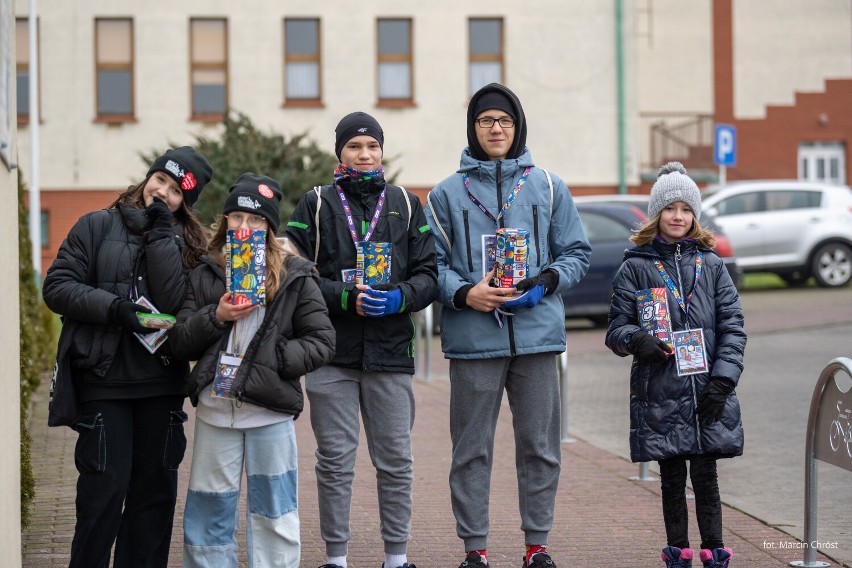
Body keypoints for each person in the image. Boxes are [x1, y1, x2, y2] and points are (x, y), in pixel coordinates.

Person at [424, 83, 591, 568]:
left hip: (537, 338)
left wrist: (548, 281)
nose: (496, 129)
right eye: (485, 121)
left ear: (517, 128)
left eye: (505, 121)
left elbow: (576, 252)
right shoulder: (445, 195)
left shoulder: (549, 186)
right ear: (472, 129)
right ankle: (474, 548)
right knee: (471, 449)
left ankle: (537, 544)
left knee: (539, 446)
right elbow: (431, 266)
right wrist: (464, 292)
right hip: (474, 340)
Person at [42, 146, 213, 567]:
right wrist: (116, 309)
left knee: (152, 503)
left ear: (184, 204)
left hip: (161, 384)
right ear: (148, 177)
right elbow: (58, 286)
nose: (163, 193)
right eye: (161, 180)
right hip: (105, 383)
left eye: (176, 192)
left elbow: (177, 301)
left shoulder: (191, 246)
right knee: (103, 496)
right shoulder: (96, 226)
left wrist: (160, 236)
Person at [284, 111, 437, 568]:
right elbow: (293, 274)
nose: (364, 154)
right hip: (330, 352)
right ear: (340, 153)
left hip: (391, 354)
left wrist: (398, 300)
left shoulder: (407, 205)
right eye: (354, 146)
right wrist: (344, 298)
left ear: (382, 151)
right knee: (333, 462)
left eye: (372, 146)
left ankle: (396, 557)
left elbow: (429, 276)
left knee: (395, 462)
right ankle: (336, 558)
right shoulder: (315, 203)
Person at [169, 173, 336, 568]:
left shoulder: (296, 275)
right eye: (237, 217)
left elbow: (322, 341)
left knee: (274, 515)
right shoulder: (207, 272)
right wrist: (218, 315)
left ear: (269, 227)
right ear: (225, 220)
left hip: (269, 412)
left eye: (256, 219)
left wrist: (275, 359)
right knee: (209, 515)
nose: (245, 227)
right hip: (215, 411)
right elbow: (179, 340)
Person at [604, 162, 746, 568]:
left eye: (686, 209)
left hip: (707, 390)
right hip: (661, 391)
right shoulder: (636, 266)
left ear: (694, 215)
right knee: (671, 478)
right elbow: (616, 329)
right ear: (656, 214)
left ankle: (715, 550)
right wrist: (638, 340)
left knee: (706, 475)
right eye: (670, 209)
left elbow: (733, 327)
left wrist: (723, 381)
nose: (678, 216)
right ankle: (678, 551)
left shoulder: (713, 265)